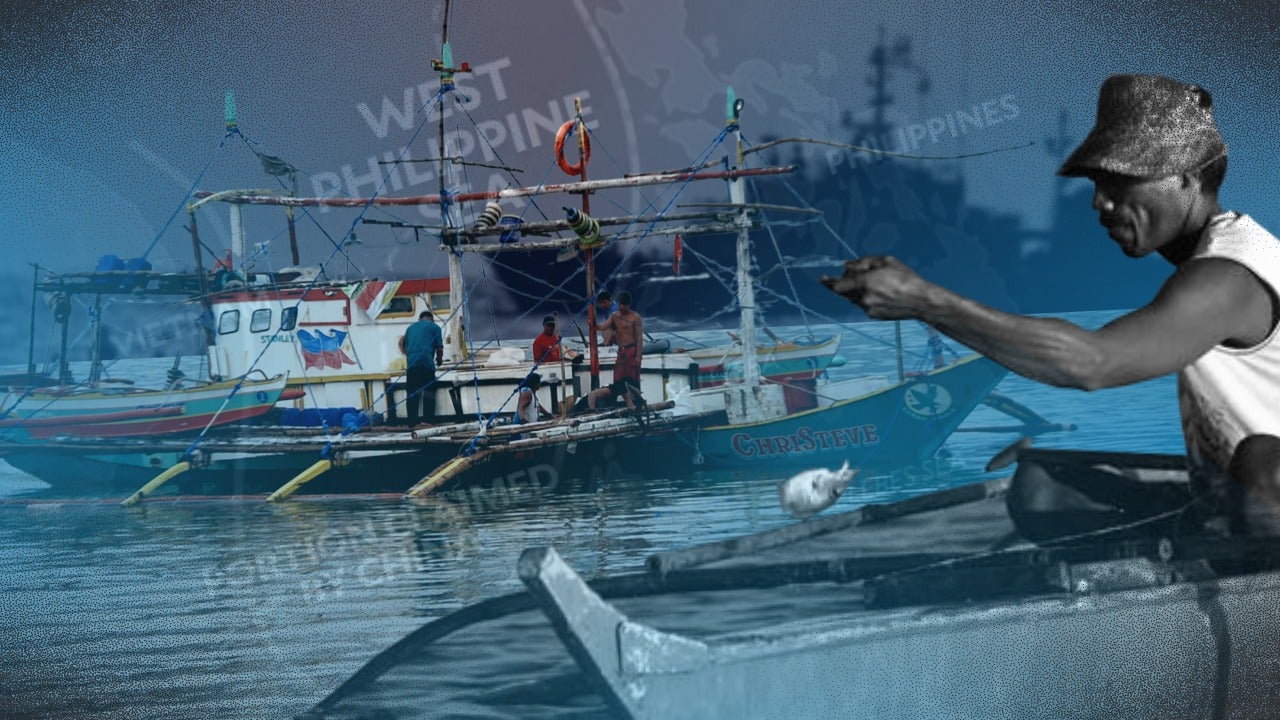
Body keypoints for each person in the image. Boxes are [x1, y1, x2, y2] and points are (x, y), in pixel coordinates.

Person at [821, 73, 1280, 540]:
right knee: (1042, 486)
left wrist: (925, 300)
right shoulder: (1209, 263)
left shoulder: (1229, 275)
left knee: (1260, 466)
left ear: (1186, 178)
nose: (1100, 202)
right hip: (1233, 500)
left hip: (1263, 489)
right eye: (1097, 183)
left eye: (1119, 181)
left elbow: (1094, 363)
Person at [401, 310, 444, 426]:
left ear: (420, 319)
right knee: (429, 391)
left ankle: (411, 422)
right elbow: (439, 348)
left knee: (411, 393)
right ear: (432, 319)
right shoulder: (435, 327)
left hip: (412, 364)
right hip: (427, 363)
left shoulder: (410, 328)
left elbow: (404, 346)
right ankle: (428, 420)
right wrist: (439, 361)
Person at [599, 291, 643, 390]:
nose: (602, 305)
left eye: (604, 302)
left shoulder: (616, 311)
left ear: (610, 301)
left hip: (629, 349)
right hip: (622, 349)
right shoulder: (610, 311)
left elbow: (610, 328)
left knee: (630, 377)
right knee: (620, 377)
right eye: (600, 303)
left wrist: (605, 343)